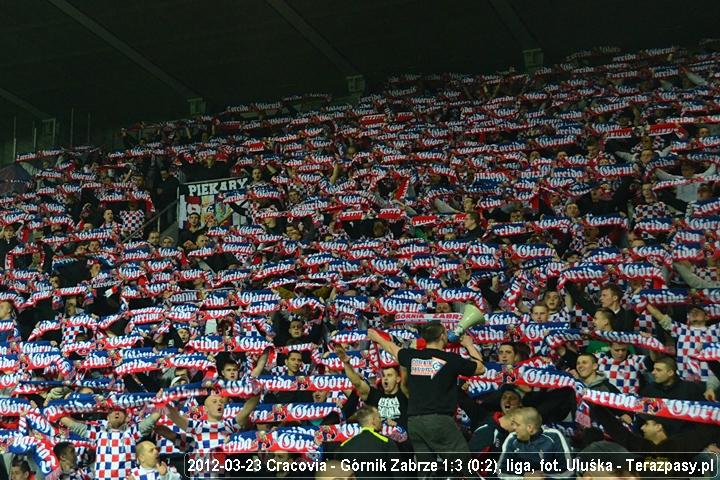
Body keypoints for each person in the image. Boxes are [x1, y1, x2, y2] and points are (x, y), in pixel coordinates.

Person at [369, 321, 485, 476]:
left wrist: (377, 337)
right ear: (443, 336)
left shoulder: (412, 356)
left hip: (415, 424)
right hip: (439, 422)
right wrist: (469, 345)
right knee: (465, 468)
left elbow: (392, 348)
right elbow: (480, 368)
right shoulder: (450, 359)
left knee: (426, 473)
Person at [60, 408, 162, 480]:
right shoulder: (98, 432)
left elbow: (151, 420)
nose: (116, 413)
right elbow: (73, 425)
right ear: (107, 417)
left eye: (121, 411)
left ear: (127, 418)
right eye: (113, 410)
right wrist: (56, 412)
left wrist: (164, 402)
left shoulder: (131, 432)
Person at [334, 344, 408, 428]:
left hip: (403, 439)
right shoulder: (375, 395)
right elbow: (357, 383)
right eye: (383, 376)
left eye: (389, 375)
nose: (385, 378)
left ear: (398, 379)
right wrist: (346, 363)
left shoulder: (405, 394)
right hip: (378, 439)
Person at [498, 407, 573, 479]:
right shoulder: (512, 439)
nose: (513, 428)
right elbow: (500, 471)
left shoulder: (554, 436)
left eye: (517, 425)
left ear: (529, 428)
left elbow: (568, 472)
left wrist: (543, 477)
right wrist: (524, 477)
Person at [335, 406, 400, 479]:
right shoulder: (386, 442)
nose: (381, 420)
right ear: (373, 420)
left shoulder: (345, 446)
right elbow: (398, 473)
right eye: (379, 417)